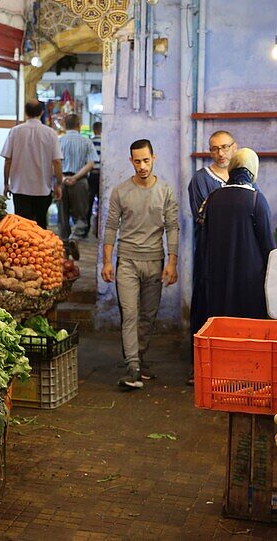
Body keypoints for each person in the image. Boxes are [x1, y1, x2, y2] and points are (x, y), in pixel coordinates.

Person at [101, 139, 179, 390]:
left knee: (148, 316)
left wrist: (172, 262)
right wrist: (107, 261)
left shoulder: (165, 190)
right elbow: (111, 226)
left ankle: (140, 359)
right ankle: (132, 366)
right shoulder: (121, 191)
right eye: (137, 161)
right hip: (127, 262)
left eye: (146, 160)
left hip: (155, 261)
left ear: (154, 158)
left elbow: (172, 227)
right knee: (130, 314)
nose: (142, 166)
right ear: (131, 161)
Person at [198, 148, 274, 324]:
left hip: (218, 279)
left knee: (221, 328)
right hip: (249, 283)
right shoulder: (256, 200)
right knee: (246, 329)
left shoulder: (213, 198)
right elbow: (268, 247)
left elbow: (203, 242)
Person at [188, 130, 237, 370]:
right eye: (216, 148)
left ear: (234, 148)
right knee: (206, 305)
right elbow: (204, 217)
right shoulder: (201, 179)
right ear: (210, 152)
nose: (221, 153)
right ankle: (201, 365)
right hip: (209, 253)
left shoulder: (242, 177)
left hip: (233, 256)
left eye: (225, 147)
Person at [2, 99, 62, 229]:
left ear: (26, 112)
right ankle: (41, 249)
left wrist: (6, 183)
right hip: (43, 189)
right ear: (41, 112)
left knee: (22, 228)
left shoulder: (15, 131)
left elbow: (8, 160)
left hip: (20, 189)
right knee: (40, 227)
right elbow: (57, 161)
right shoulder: (50, 133)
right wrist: (59, 184)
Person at [58, 113, 97, 256]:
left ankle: (64, 251)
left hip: (61, 182)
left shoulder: (59, 141)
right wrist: (75, 177)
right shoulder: (86, 142)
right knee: (81, 217)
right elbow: (91, 163)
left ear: (64, 125)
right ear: (79, 125)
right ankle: (75, 237)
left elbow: (53, 163)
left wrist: (62, 178)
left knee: (63, 219)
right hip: (80, 182)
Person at [87, 121, 102, 238]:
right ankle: (98, 229)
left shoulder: (90, 142)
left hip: (91, 175)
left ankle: (86, 229)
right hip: (102, 175)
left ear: (93, 130)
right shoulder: (106, 142)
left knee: (89, 201)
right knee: (101, 203)